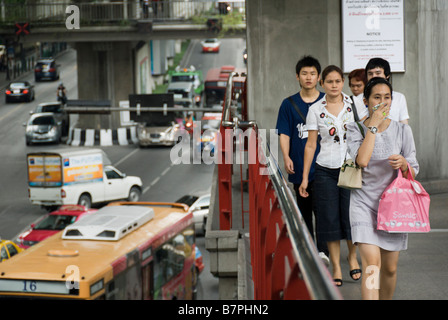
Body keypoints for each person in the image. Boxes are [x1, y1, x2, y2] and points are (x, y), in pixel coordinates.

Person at [346, 77, 419, 300]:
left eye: (387, 97)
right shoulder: (354, 128)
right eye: (377, 97)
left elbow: (413, 171)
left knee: (389, 269)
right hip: (362, 203)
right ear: (366, 101)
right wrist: (374, 126)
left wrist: (404, 164)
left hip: (393, 206)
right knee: (371, 266)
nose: (383, 102)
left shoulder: (402, 131)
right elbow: (362, 161)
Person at [299, 65, 361, 286]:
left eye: (338, 81)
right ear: (322, 84)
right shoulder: (315, 110)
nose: (334, 85)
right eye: (329, 82)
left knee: (351, 215)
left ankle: (352, 256)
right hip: (324, 168)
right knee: (328, 218)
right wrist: (305, 178)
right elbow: (311, 145)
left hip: (350, 168)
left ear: (342, 83)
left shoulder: (354, 105)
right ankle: (335, 265)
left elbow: (363, 137)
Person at [275, 55, 329, 262]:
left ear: (318, 77)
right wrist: (286, 156)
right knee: (304, 212)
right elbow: (285, 133)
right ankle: (308, 251)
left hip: (324, 165)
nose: (308, 77)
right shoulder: (288, 104)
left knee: (323, 210)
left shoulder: (327, 100)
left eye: (313, 74)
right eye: (304, 73)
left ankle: (323, 251)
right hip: (299, 166)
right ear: (297, 76)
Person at [355, 58, 409, 124]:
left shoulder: (399, 97)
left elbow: (404, 124)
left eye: (378, 73)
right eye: (370, 74)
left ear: (387, 76)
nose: (374, 76)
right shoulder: (358, 99)